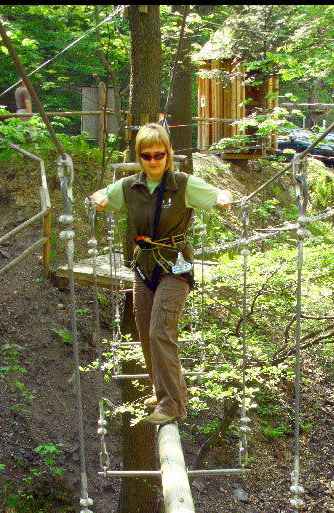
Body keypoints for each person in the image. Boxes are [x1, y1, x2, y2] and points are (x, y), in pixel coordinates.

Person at [91, 122, 232, 425]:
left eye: (159, 155)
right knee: (145, 330)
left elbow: (219, 192)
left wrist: (223, 197)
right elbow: (103, 194)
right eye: (146, 156)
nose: (153, 162)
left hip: (176, 265)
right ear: (139, 157)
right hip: (144, 266)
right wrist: (98, 198)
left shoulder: (183, 184)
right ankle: (166, 390)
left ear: (168, 154)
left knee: (161, 330)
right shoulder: (130, 187)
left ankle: (172, 405)